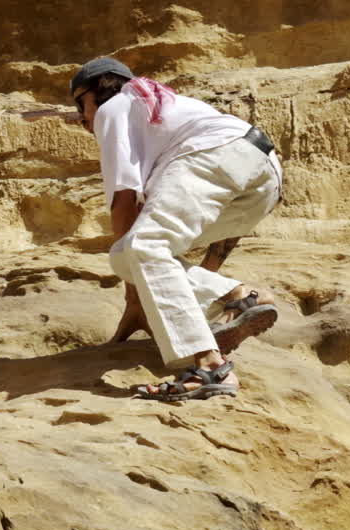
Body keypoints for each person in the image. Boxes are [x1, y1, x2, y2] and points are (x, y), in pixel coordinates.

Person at [69, 56, 283, 401]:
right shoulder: (159, 109)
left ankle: (210, 366)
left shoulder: (114, 108)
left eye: (81, 104)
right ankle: (240, 297)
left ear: (99, 91)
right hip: (264, 177)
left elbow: (123, 201)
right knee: (131, 253)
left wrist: (134, 293)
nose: (82, 118)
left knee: (135, 250)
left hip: (213, 156)